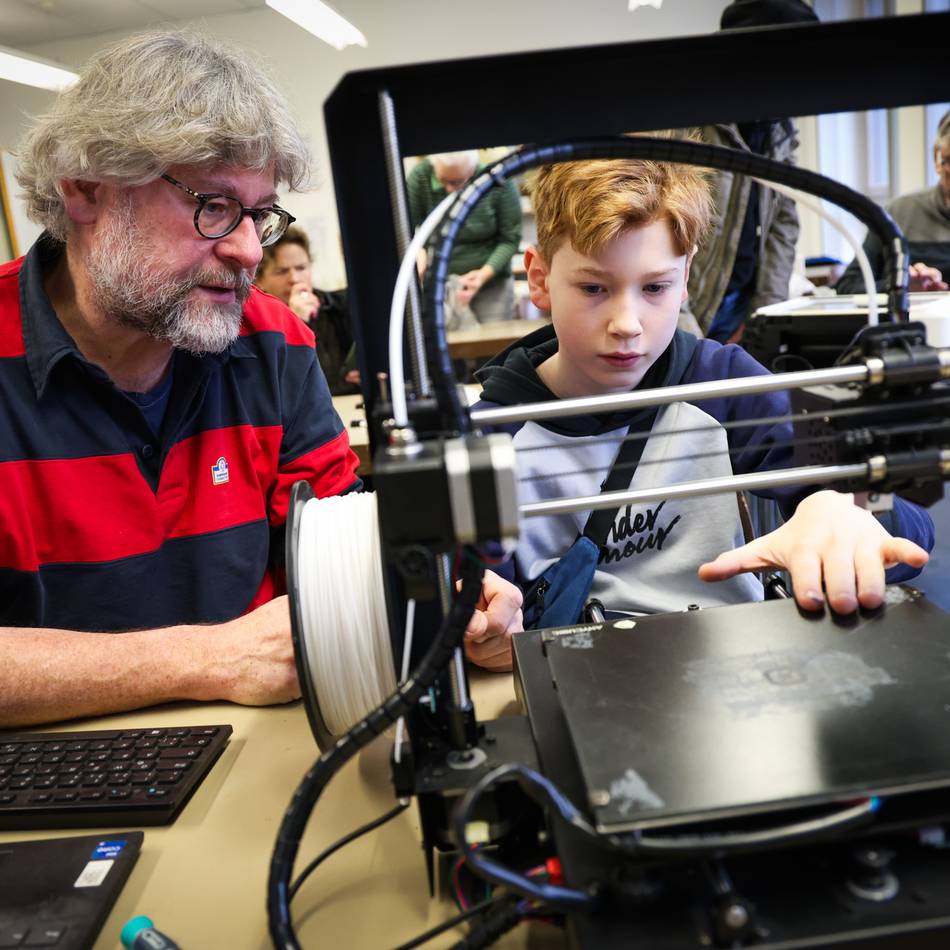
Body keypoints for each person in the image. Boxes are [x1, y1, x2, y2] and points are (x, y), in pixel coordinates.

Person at [0, 30, 522, 727]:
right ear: (86, 189)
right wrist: (206, 658)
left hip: (256, 753)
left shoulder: (273, 342)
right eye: (212, 206)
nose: (248, 249)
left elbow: (347, 546)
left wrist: (449, 593)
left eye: (259, 214)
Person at [467, 153, 933, 668]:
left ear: (685, 276)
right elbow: (480, 596)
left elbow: (910, 532)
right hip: (571, 682)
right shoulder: (493, 434)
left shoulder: (723, 382)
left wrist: (844, 516)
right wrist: (486, 627)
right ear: (539, 278)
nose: (627, 323)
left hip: (736, 672)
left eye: (655, 288)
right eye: (594, 288)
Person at [680, 0, 818, 342]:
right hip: (685, 311)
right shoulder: (688, 123)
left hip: (740, 311)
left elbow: (783, 221)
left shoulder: (778, 127)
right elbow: (655, 237)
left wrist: (763, 318)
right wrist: (686, 337)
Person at [835, 109, 950, 295]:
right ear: (937, 157)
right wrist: (900, 286)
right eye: (949, 162)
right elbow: (848, 286)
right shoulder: (899, 213)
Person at [406, 150, 523, 325]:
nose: (449, 190)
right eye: (443, 180)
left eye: (457, 182)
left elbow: (510, 239)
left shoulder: (499, 182)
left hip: (491, 284)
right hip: (439, 284)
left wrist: (484, 275)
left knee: (491, 344)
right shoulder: (421, 177)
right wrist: (417, 251)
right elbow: (405, 229)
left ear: (473, 171)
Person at [255, 225, 359, 394]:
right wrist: (296, 323)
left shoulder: (336, 306)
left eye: (301, 268)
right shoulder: (253, 325)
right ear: (259, 279)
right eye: (281, 271)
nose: (294, 279)